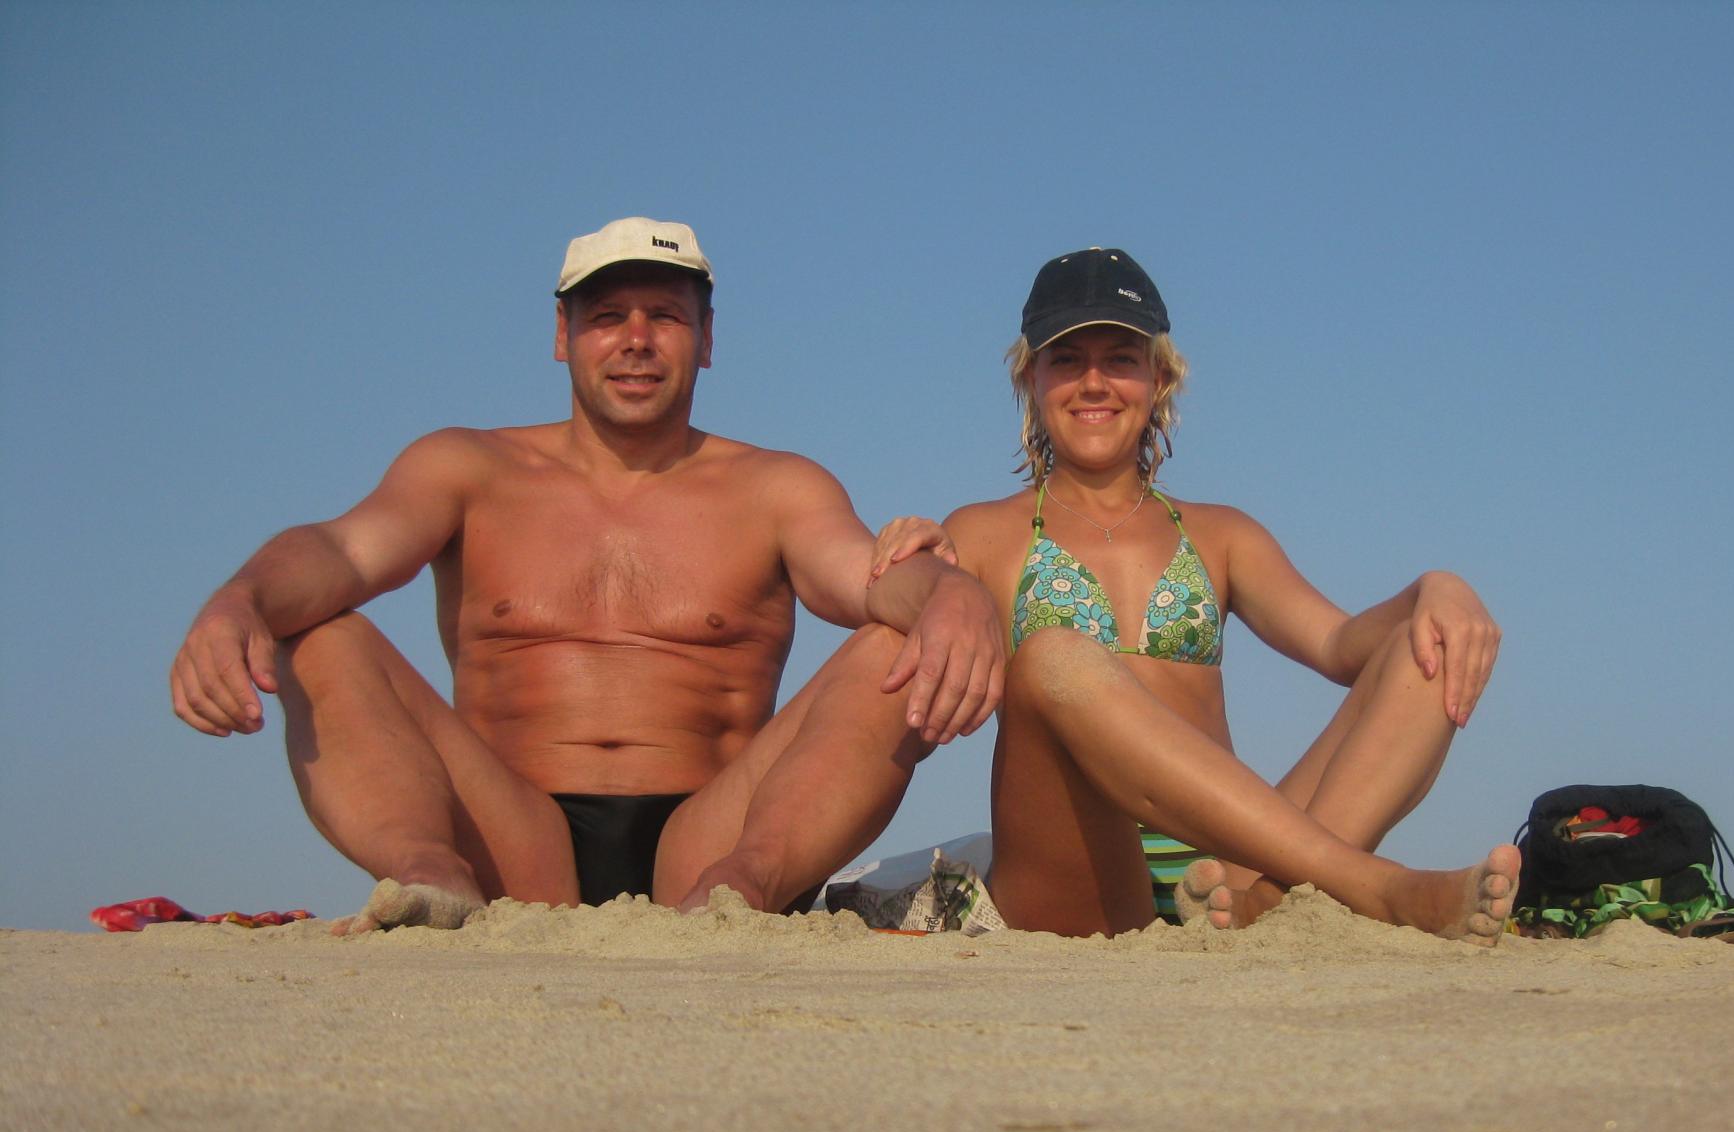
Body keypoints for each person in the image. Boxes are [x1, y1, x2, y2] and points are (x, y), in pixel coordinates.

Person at [170, 217, 1004, 933]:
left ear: (707, 339)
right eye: (607, 317)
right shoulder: (466, 467)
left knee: (892, 644)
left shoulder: (777, 487)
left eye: (665, 317)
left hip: (711, 839)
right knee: (320, 631)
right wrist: (241, 600)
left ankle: (741, 896)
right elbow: (343, 553)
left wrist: (950, 593)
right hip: (512, 839)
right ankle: (429, 876)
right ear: (563, 335)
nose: (636, 340)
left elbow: (867, 579)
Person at [872, 246, 1518, 940]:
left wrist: (1436, 590)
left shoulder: (1221, 535)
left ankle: (1272, 901)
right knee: (1053, 658)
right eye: (1068, 361)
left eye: (1121, 359)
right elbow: (886, 593)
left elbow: (1341, 646)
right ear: (1032, 378)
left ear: (1160, 377)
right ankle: (1368, 887)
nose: (1094, 383)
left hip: (1226, 869)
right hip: (1078, 872)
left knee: (1431, 645)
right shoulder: (983, 532)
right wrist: (914, 558)